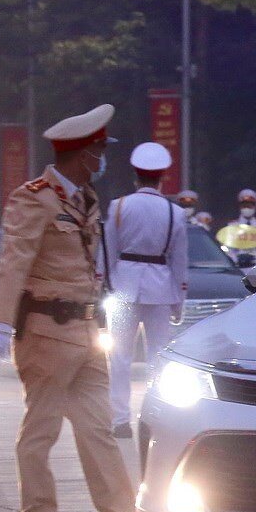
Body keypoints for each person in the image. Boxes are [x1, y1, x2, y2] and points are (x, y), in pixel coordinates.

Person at [0, 104, 160, 512]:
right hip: (45, 331)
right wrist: (1, 325)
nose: (103, 160)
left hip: (84, 330)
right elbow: (13, 263)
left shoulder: (85, 199)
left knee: (97, 427)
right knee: (42, 426)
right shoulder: (32, 197)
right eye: (99, 152)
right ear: (83, 155)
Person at [103, 141, 189, 439]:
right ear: (163, 175)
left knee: (120, 357)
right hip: (161, 287)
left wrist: (107, 286)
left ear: (135, 174)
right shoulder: (175, 212)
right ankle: (153, 418)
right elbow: (179, 260)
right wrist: (179, 300)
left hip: (123, 286)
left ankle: (119, 420)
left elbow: (108, 253)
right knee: (157, 357)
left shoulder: (118, 207)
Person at [223, 189, 256, 265]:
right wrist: (236, 261)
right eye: (244, 206)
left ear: (255, 207)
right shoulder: (232, 226)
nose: (246, 208)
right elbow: (229, 249)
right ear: (240, 207)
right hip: (238, 266)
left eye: (249, 206)